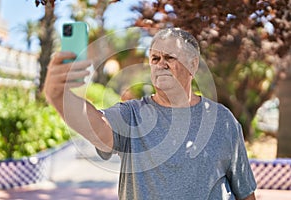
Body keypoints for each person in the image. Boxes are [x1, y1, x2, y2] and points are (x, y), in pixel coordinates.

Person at [44, 27, 257, 200]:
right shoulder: (131, 115)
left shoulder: (222, 120)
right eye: (155, 58)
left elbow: (246, 192)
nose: (161, 64)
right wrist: (58, 96)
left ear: (192, 65)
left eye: (170, 57)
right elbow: (97, 127)